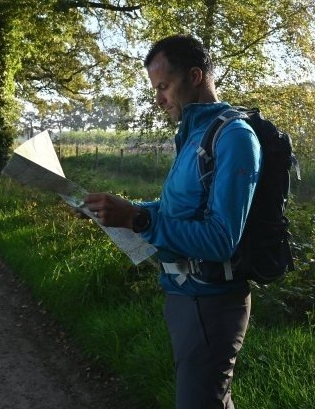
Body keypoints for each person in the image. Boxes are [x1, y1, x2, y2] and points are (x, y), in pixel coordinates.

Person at [81, 34, 261, 409]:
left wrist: (139, 219)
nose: (159, 99)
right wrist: (116, 211)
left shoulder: (234, 138)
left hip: (211, 304)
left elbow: (220, 239)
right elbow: (176, 210)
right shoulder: (194, 134)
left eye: (164, 86)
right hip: (184, 294)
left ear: (195, 76)